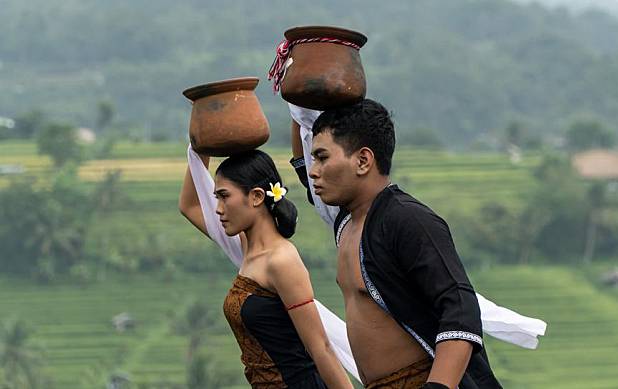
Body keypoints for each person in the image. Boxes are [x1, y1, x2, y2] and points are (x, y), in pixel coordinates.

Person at [289, 99, 513, 389]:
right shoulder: (346, 221)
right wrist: (296, 104)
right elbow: (303, 170)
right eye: (313, 159)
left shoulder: (407, 220)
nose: (313, 170)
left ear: (363, 160)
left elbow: (460, 308)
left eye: (321, 158)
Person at [179, 147, 354, 389]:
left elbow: (320, 347)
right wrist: (199, 146)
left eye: (224, 196)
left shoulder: (281, 261)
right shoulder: (245, 249)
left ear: (257, 197)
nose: (217, 208)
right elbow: (190, 206)